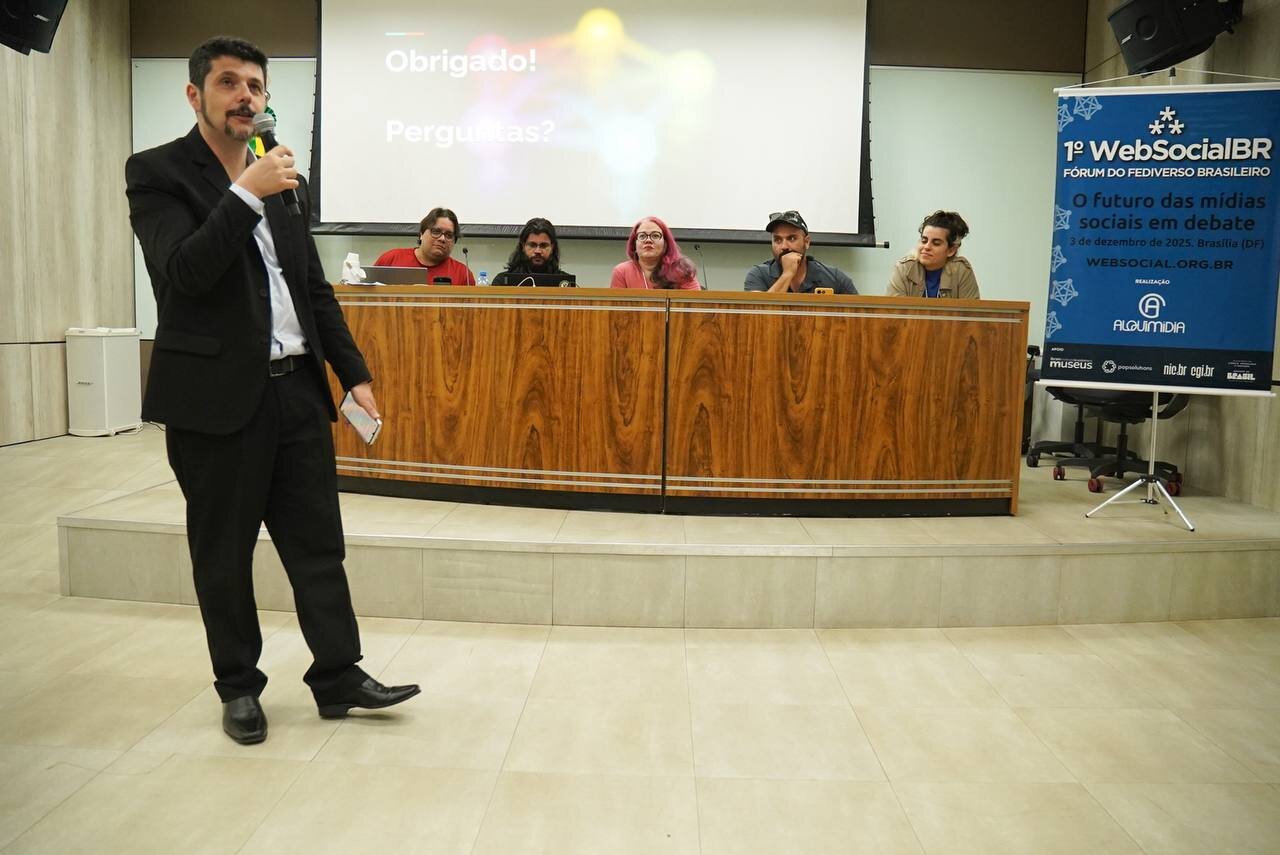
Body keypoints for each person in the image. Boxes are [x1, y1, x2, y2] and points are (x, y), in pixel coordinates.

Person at [125, 36, 419, 746]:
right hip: (215, 401)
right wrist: (243, 195)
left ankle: (338, 674)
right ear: (195, 95)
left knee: (318, 544)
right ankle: (239, 687)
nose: (245, 97)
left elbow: (309, 285)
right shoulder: (157, 173)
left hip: (297, 393)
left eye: (255, 86)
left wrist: (353, 372)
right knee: (224, 554)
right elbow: (183, 273)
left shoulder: (281, 173)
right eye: (229, 83)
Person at [744, 210, 857, 294]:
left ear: (806, 242)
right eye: (777, 240)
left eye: (792, 238)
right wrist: (787, 274)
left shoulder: (834, 277)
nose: (784, 246)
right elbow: (758, 315)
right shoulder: (758, 275)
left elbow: (860, 314)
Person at [887, 210, 980, 299]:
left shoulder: (961, 271)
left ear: (951, 250)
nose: (926, 247)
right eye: (924, 241)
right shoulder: (904, 268)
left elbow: (971, 309)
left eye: (936, 243)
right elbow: (893, 308)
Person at [374, 207, 476, 285]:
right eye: (436, 232)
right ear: (421, 234)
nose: (442, 239)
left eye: (449, 235)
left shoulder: (463, 275)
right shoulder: (391, 259)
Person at [610, 216, 701, 290]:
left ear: (666, 243)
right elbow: (617, 306)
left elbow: (695, 304)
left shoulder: (682, 270)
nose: (648, 240)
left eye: (655, 235)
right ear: (634, 244)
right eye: (642, 236)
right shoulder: (622, 272)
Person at [493, 217, 572, 284]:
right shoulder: (502, 281)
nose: (538, 251)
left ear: (552, 248)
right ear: (523, 246)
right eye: (532, 245)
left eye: (543, 245)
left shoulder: (566, 283)